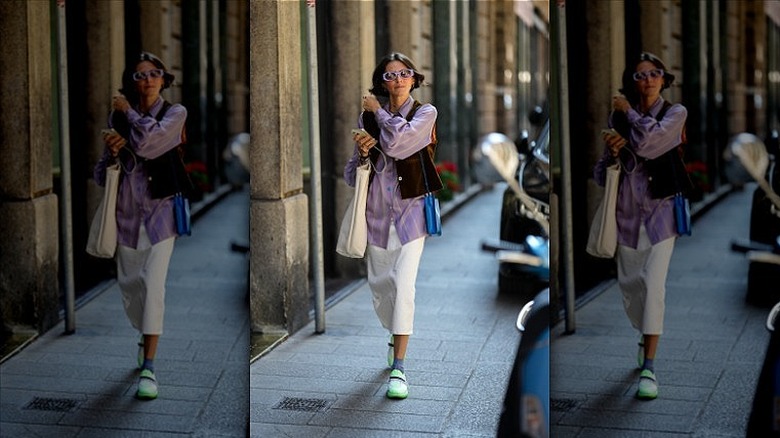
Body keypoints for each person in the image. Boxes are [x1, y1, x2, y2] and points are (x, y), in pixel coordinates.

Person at [343, 52, 441, 400]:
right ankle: (393, 333)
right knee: (381, 286)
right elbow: (351, 174)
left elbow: (400, 144)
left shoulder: (425, 113)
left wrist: (378, 113)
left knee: (403, 284)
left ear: (414, 79)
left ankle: (399, 367)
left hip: (411, 213)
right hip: (377, 215)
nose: (397, 79)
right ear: (381, 82)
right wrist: (365, 152)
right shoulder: (367, 118)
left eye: (404, 73)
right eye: (389, 75)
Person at [594, 52, 688, 400]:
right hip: (627, 215)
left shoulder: (675, 114)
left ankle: (649, 367)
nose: (647, 80)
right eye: (640, 75)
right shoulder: (616, 119)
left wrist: (629, 116)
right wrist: (614, 153)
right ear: (631, 82)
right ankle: (643, 334)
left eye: (654, 73)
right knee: (632, 287)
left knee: (653, 285)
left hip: (662, 214)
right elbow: (601, 173)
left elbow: (651, 143)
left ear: (664, 79)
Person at [94, 52, 187, 400]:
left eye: (153, 73)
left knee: (153, 286)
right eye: (139, 75)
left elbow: (150, 143)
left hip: (161, 215)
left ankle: (149, 367)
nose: (147, 80)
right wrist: (114, 153)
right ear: (131, 82)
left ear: (164, 79)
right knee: (131, 288)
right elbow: (101, 175)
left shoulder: (175, 114)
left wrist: (129, 115)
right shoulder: (117, 119)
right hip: (127, 217)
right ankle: (143, 335)